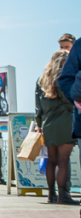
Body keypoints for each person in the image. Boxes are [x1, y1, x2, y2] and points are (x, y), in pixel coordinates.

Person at [37, 50, 77, 205]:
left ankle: (51, 195)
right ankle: (63, 195)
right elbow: (69, 101)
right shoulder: (63, 78)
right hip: (65, 123)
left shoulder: (41, 80)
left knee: (51, 160)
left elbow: (38, 106)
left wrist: (39, 123)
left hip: (48, 124)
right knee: (63, 160)